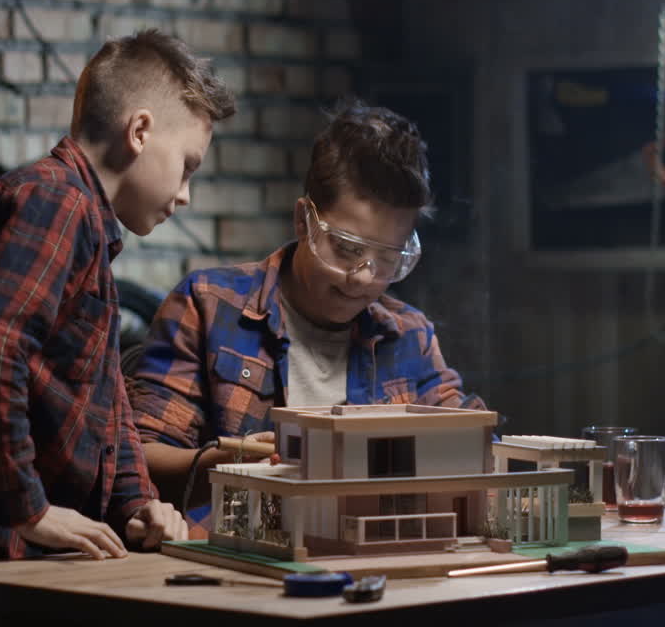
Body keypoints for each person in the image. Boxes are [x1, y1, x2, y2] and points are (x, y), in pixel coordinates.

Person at [0, 29, 235, 624]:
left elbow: (103, 398)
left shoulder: (80, 219)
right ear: (139, 132)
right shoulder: (59, 202)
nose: (184, 195)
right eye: (187, 166)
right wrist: (28, 508)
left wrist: (138, 502)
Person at [130, 99, 485, 527]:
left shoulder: (409, 337)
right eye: (347, 249)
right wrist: (237, 464)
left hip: (370, 566)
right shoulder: (208, 306)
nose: (361, 278)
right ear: (304, 221)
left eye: (388, 259)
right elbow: (140, 459)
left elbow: (473, 444)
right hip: (238, 568)